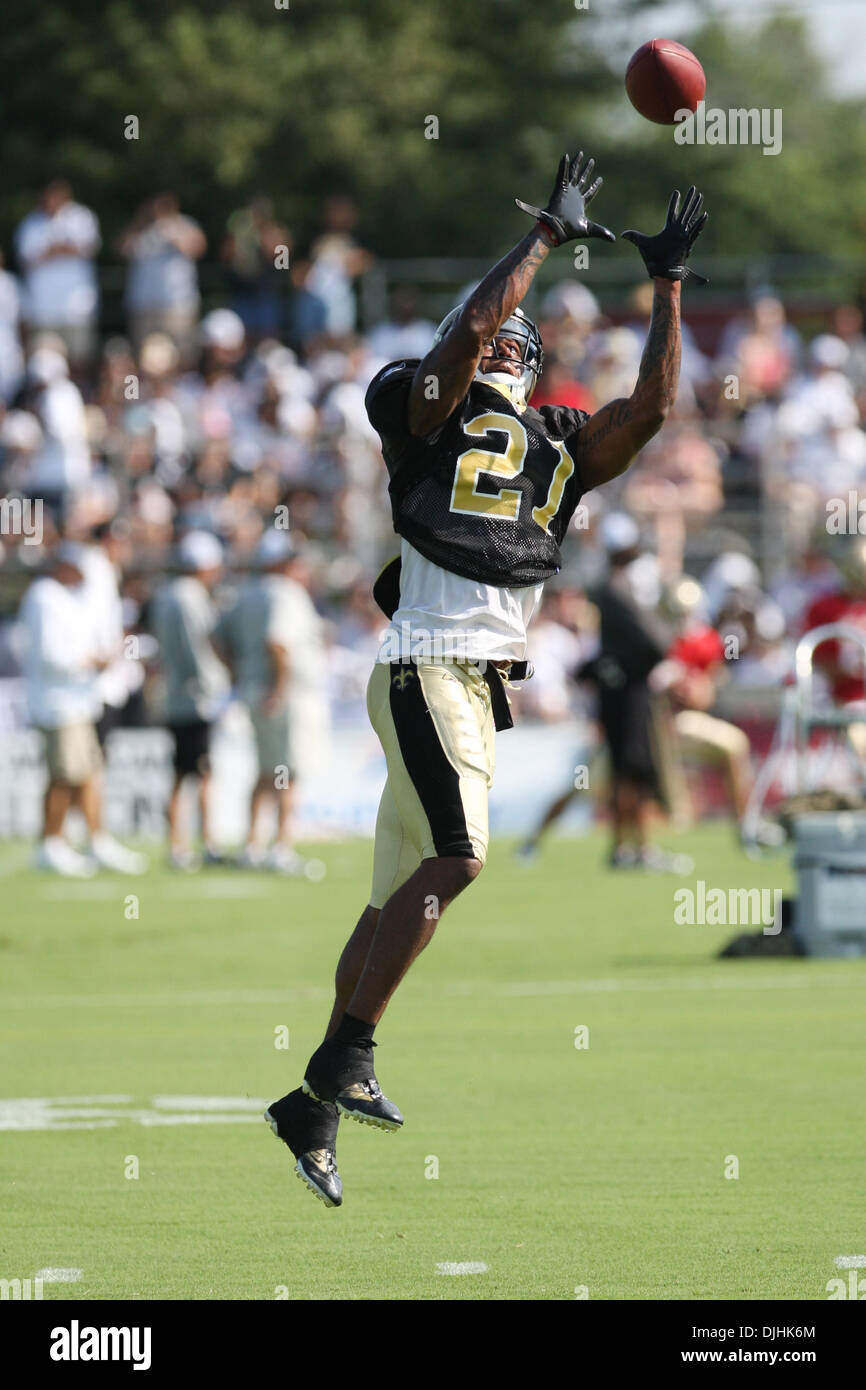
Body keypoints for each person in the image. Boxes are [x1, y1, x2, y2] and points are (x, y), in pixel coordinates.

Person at [264, 156, 709, 1206]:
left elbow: (647, 411)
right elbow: (457, 344)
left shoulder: (555, 439)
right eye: (494, 330)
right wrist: (543, 238)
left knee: (389, 900)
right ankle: (346, 1060)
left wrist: (667, 285)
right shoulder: (420, 403)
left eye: (514, 336)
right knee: (460, 860)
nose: (499, 340)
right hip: (427, 665)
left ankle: (312, 1105)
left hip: (460, 680)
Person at [19, 542, 147, 876]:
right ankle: (52, 843)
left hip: (75, 700)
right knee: (65, 775)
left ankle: (91, 840)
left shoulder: (63, 597)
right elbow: (51, 654)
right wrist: (93, 660)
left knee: (85, 773)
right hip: (57, 702)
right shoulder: (44, 597)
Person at [217, 530, 325, 876]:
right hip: (284, 693)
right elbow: (277, 642)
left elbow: (216, 638)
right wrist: (278, 688)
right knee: (288, 772)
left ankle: (252, 845)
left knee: (266, 770)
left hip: (255, 688)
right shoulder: (286, 592)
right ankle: (280, 846)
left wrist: (237, 674)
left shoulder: (245, 592)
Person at [150, 530, 229, 868]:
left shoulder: (167, 595)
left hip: (176, 696)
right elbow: (198, 649)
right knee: (197, 772)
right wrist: (217, 687)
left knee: (184, 772)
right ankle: (196, 843)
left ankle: (182, 844)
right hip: (194, 697)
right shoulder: (190, 597)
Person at [15, 180, 101, 371]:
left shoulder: (81, 217)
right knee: (44, 362)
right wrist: (61, 249)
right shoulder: (31, 223)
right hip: (43, 309)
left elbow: (89, 248)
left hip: (77, 307)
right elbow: (26, 259)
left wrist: (51, 252)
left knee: (79, 360)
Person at [118, 194, 206, 361]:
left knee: (183, 356)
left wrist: (174, 235)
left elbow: (198, 248)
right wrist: (139, 224)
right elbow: (121, 250)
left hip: (178, 304)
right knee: (145, 358)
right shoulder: (141, 229)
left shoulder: (185, 224)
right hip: (143, 305)